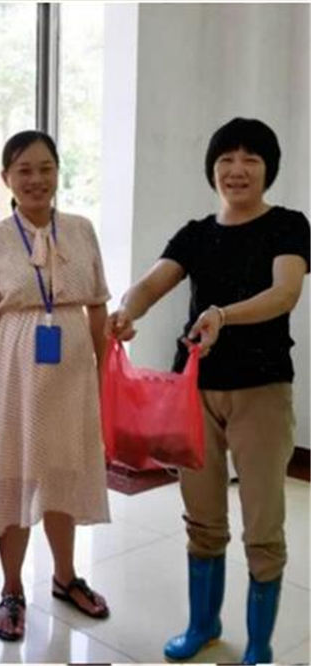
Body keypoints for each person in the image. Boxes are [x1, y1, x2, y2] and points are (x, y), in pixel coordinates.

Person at [106, 117, 309, 664]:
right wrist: (125, 311)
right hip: (193, 392)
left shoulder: (288, 226)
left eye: (250, 159)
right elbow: (152, 282)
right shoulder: (196, 233)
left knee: (263, 522)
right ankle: (203, 624)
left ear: (268, 169)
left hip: (262, 390)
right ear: (212, 169)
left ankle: (260, 644)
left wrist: (223, 314)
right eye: (226, 159)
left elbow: (285, 293)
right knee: (201, 515)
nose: (236, 170)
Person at [0, 130, 112, 642]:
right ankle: (13, 590)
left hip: (72, 378)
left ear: (58, 172)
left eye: (46, 168)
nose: (36, 179)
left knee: (63, 473)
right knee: (12, 478)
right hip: (15, 378)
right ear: (7, 179)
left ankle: (65, 577)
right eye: (24, 170)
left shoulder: (82, 230)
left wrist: (106, 376)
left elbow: (98, 308)